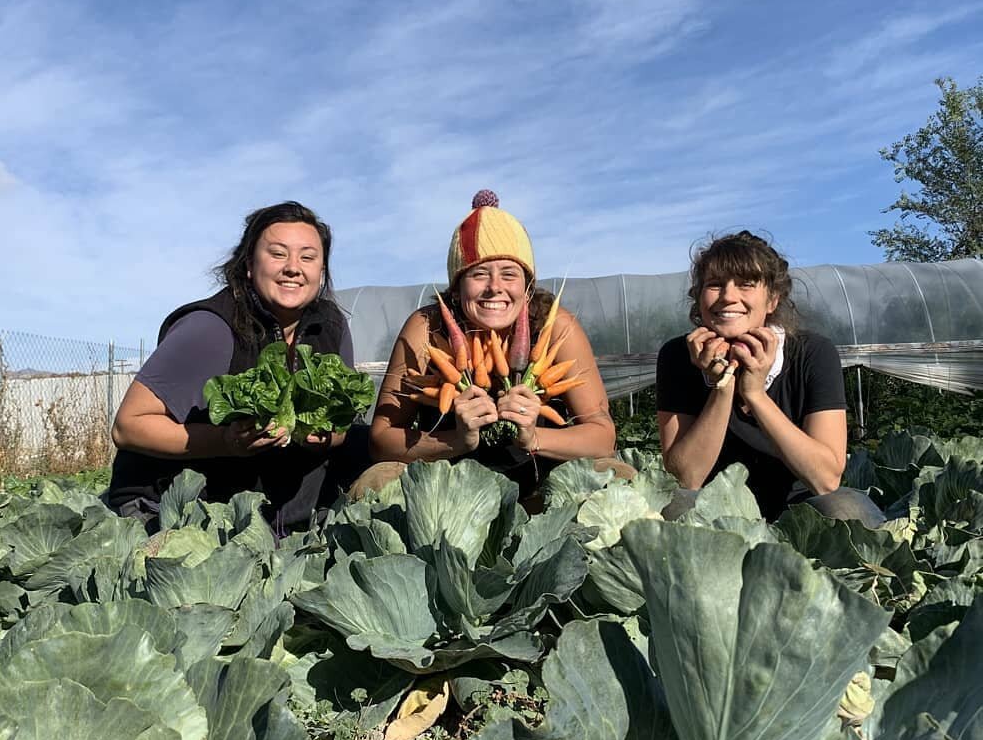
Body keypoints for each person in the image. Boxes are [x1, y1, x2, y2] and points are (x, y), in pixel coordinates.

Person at [107, 201, 355, 534]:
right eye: (278, 254)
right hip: (173, 509)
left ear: (321, 270)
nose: (293, 268)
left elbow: (342, 425)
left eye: (308, 257)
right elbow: (128, 426)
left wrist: (319, 435)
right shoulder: (211, 329)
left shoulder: (331, 326)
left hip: (265, 516)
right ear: (249, 265)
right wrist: (226, 440)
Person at [361, 190, 624, 503]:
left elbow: (602, 436)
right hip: (448, 489)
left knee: (617, 476)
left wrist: (533, 436)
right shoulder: (427, 326)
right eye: (479, 274)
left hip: (544, 485)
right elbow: (381, 439)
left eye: (509, 274)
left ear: (528, 289)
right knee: (377, 480)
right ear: (456, 290)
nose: (495, 287)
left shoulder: (556, 327)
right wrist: (458, 440)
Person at [656, 230, 885, 524]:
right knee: (675, 507)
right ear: (700, 298)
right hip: (716, 512)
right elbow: (686, 477)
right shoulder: (677, 356)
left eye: (746, 284)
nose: (728, 296)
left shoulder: (812, 352)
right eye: (714, 285)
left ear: (772, 300)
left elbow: (826, 479)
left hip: (802, 512)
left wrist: (755, 394)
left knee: (846, 509)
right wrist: (723, 386)